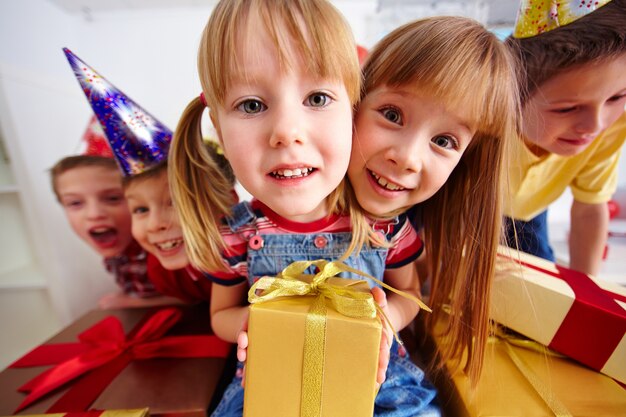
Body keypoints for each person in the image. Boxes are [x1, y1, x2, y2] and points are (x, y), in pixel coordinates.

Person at [168, 1, 438, 415]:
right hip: (270, 382)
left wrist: (387, 318)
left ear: (353, 111)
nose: (286, 132)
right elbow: (220, 313)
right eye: (252, 105)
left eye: (317, 97)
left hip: (378, 384)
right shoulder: (237, 233)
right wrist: (249, 324)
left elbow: (410, 293)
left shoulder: (380, 223)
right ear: (218, 129)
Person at [347, 16, 519, 384]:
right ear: (354, 102)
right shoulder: (292, 201)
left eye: (444, 141)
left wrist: (386, 319)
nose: (407, 158)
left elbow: (408, 291)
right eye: (392, 115)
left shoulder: (394, 232)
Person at [503, 0, 626, 275]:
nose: (594, 125)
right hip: (459, 208)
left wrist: (588, 291)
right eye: (567, 108)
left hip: (528, 213)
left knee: (543, 287)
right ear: (510, 96)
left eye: (618, 97)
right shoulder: (484, 119)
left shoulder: (612, 130)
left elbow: (589, 209)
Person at [51, 153, 177, 308]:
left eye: (113, 198)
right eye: (75, 202)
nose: (94, 214)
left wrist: (133, 302)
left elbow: (196, 296)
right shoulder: (119, 254)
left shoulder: (168, 250)